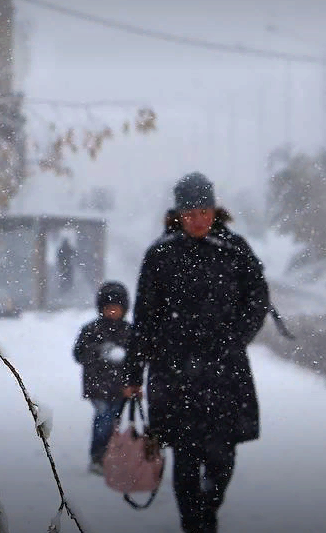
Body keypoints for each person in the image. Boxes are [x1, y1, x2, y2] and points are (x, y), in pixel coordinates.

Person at [123, 172, 269, 533]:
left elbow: (258, 299)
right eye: (190, 213)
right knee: (185, 454)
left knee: (222, 454)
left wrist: (236, 337)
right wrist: (132, 372)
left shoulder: (235, 250)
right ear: (177, 214)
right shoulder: (160, 255)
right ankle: (194, 522)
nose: (198, 219)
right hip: (174, 373)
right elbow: (143, 318)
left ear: (215, 209)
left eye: (204, 210)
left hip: (225, 370)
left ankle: (209, 508)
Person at [73, 281, 132, 475]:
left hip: (120, 387)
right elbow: (79, 354)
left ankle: (108, 454)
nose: (113, 312)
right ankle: (98, 456)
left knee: (112, 421)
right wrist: (101, 353)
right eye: (109, 308)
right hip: (97, 386)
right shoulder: (91, 330)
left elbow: (138, 358)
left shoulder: (129, 332)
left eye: (117, 308)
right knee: (103, 419)